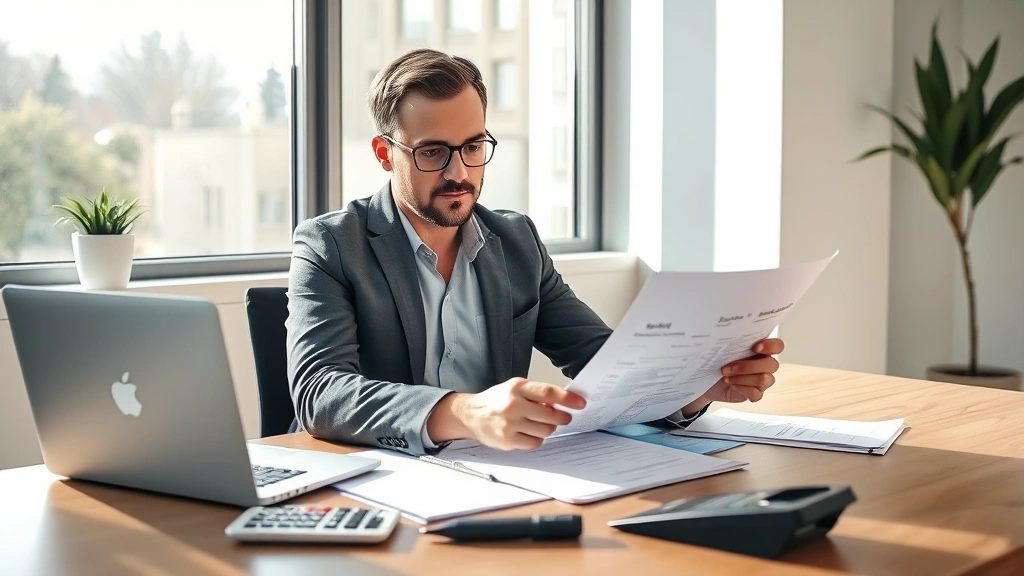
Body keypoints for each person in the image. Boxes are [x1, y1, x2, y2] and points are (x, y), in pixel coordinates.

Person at [286, 49, 784, 455]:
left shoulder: (516, 241)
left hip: (497, 480)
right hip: (375, 482)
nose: (459, 172)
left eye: (474, 146)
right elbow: (320, 394)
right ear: (383, 153)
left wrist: (694, 389)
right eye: (432, 152)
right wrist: (464, 412)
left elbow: (605, 363)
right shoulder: (330, 245)